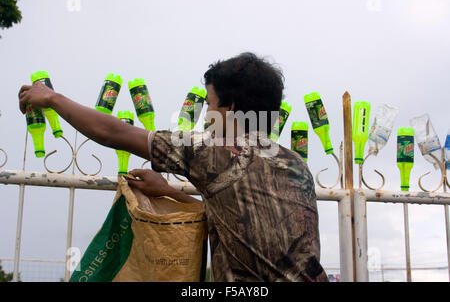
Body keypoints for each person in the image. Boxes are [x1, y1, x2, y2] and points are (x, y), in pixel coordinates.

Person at [18, 52, 328, 282]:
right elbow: (242, 223)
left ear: (229, 107)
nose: (206, 115)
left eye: (209, 103)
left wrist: (51, 97)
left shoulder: (212, 152)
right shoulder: (295, 164)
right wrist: (170, 192)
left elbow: (114, 132)